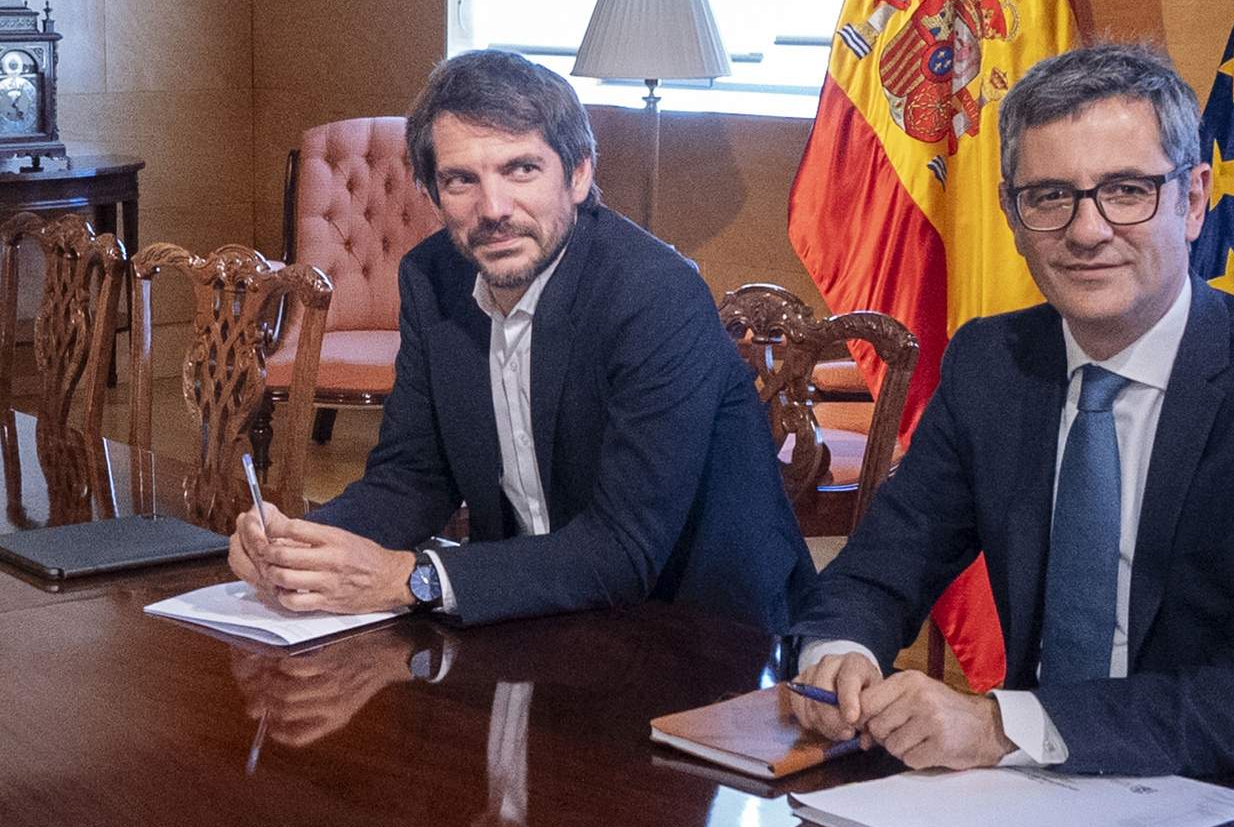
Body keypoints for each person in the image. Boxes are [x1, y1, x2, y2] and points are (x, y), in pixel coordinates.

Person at [788, 42, 1234, 813]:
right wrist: (838, 654)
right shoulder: (992, 364)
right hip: (1043, 797)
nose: (1086, 232)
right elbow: (882, 568)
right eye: (1050, 195)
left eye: (1126, 191)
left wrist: (996, 726)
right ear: (1012, 216)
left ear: (1192, 200)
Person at [230, 49, 812, 631]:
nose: (494, 209)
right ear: (432, 195)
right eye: (461, 180)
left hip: (703, 636)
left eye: (521, 170)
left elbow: (624, 550)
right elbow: (411, 479)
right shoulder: (433, 279)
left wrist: (410, 578)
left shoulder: (655, 295)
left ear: (579, 174)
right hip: (531, 617)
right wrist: (301, 546)